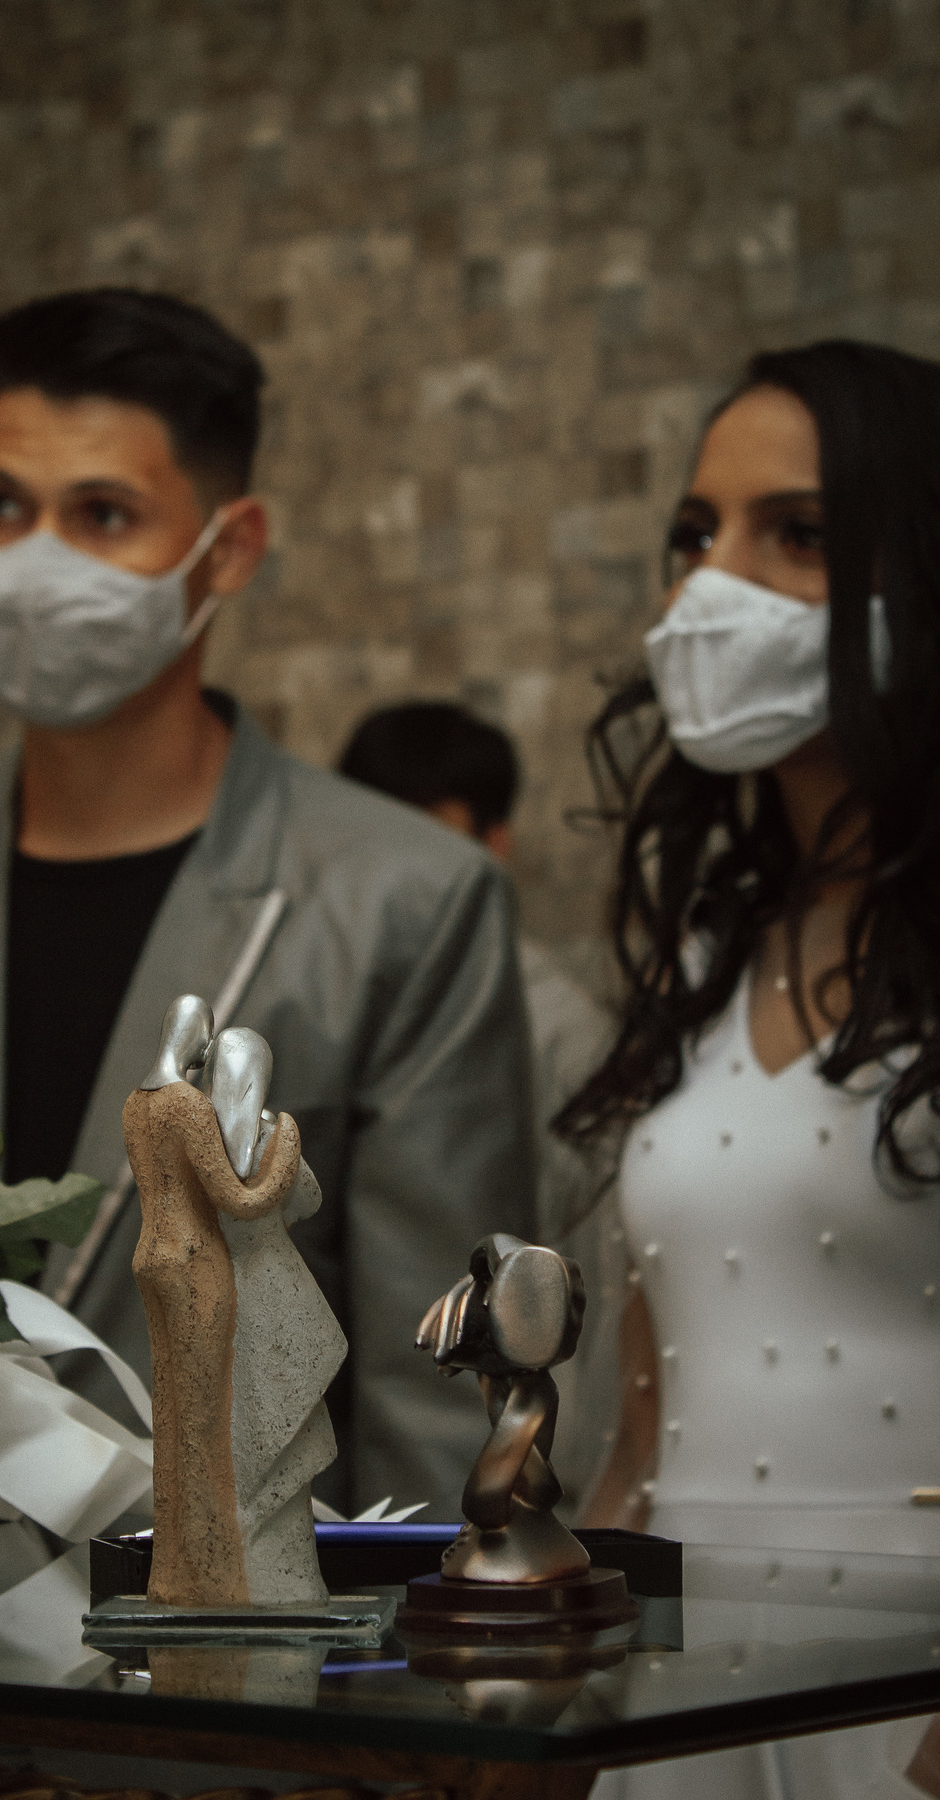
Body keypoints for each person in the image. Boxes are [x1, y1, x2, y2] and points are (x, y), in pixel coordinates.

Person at [0, 287, 535, 1518]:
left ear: (228, 548)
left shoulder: (407, 902)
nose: (34, 563)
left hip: (238, 1617)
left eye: (102, 514)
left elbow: (434, 1397)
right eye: (1, 506)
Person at [553, 341, 940, 1798]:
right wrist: (560, 1698)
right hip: (679, 1705)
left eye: (799, 534)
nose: (712, 584)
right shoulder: (707, 960)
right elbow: (647, 1426)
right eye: (695, 534)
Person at [338, 701, 621, 1513]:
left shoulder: (568, 1038)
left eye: (429, 841)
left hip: (502, 1461)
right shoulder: (325, 1013)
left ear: (496, 843)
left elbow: (591, 1287)